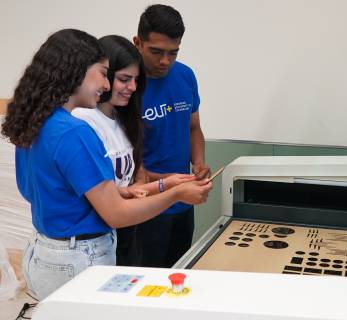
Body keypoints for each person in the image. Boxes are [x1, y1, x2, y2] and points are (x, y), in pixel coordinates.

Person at [1, 29, 212, 300]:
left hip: (43, 252)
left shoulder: (37, 123)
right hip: (77, 260)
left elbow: (49, 191)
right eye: (103, 72)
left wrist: (150, 186)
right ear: (76, 70)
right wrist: (175, 194)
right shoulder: (75, 132)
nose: (106, 84)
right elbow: (116, 214)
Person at [72, 35, 196, 266]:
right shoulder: (83, 121)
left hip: (124, 234)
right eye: (124, 79)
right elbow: (112, 201)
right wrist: (173, 190)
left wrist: (167, 183)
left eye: (135, 80)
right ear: (105, 77)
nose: (132, 87)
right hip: (96, 239)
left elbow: (129, 185)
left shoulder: (121, 118)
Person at [133, 4, 210, 268]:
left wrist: (198, 163)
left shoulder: (185, 76)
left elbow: (194, 128)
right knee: (146, 283)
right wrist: (168, 183)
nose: (165, 60)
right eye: (156, 52)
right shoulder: (126, 87)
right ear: (138, 43)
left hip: (183, 203)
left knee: (178, 274)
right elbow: (127, 166)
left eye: (173, 53)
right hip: (145, 207)